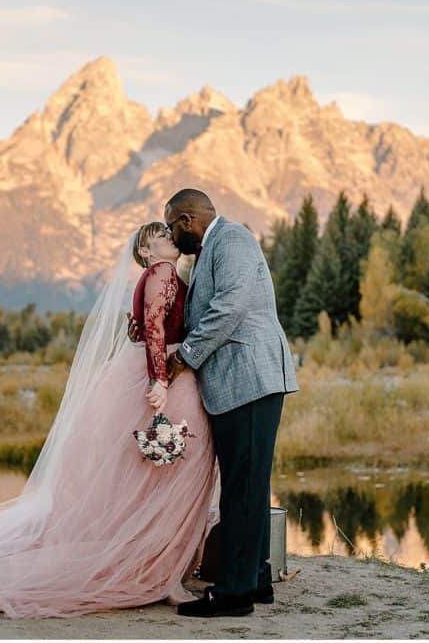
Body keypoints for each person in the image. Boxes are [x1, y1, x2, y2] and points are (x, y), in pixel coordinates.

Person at [0, 222, 220, 619]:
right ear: (146, 251)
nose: (170, 239)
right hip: (165, 379)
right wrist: (160, 381)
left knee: (145, 477)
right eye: (160, 236)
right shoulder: (160, 274)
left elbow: (144, 326)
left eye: (168, 234)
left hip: (147, 371)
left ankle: (157, 566)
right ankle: (162, 575)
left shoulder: (157, 275)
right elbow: (155, 331)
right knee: (166, 477)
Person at [130, 188, 299, 618]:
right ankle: (256, 579)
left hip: (250, 378)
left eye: (170, 226)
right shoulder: (208, 252)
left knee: (242, 486)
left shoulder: (233, 240)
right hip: (239, 382)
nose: (170, 233)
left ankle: (234, 594)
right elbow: (197, 313)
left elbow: (230, 307)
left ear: (186, 220)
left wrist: (184, 357)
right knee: (251, 483)